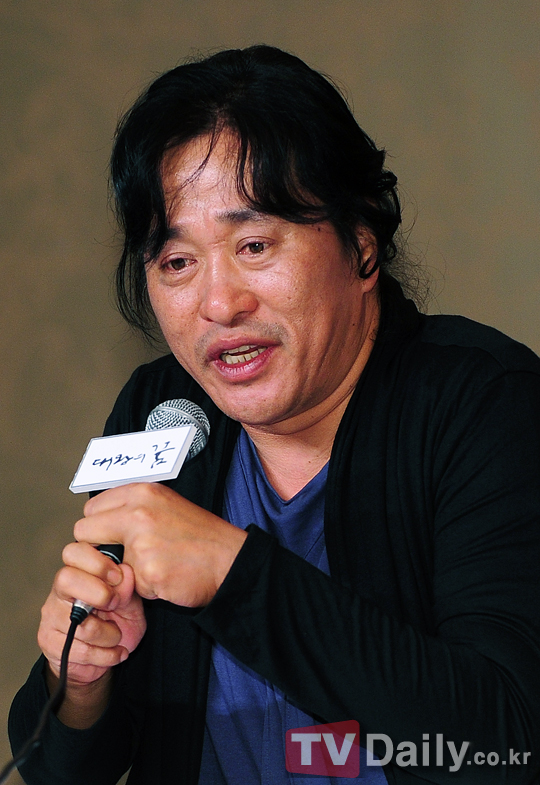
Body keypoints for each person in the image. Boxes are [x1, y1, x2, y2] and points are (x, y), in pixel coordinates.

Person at [9, 45, 540, 785]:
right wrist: (81, 683)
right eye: (177, 262)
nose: (219, 304)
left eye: (254, 245)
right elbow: (67, 767)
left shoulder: (484, 402)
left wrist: (233, 574)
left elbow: (507, 743)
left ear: (362, 242)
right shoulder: (163, 412)